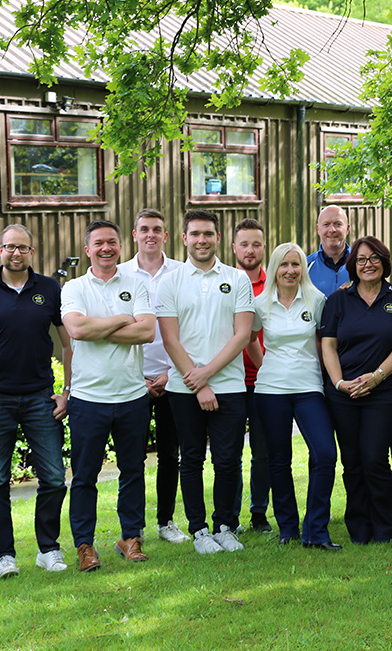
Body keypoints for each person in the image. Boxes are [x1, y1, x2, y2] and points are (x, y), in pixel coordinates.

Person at [0, 224, 72, 579]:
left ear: (31, 252)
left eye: (22, 248)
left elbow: (69, 343)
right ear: (0, 251)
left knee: (54, 478)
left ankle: (48, 549)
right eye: (9, 247)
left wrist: (67, 391)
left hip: (40, 397)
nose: (16, 253)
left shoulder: (49, 289)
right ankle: (4, 555)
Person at [157, 209, 255, 554]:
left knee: (227, 460)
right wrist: (198, 383)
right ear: (184, 238)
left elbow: (242, 335)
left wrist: (206, 374)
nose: (202, 240)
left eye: (208, 234)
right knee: (192, 458)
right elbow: (170, 339)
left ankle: (225, 526)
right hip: (184, 388)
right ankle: (199, 530)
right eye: (195, 234)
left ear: (218, 238)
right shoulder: (169, 281)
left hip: (229, 386)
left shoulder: (237, 279)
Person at [61, 220, 156, 569]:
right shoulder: (74, 287)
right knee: (84, 476)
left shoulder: (136, 284)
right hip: (88, 398)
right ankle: (85, 546)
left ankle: (130, 538)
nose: (106, 248)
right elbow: (76, 328)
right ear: (88, 249)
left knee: (133, 471)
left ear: (120, 246)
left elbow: (147, 332)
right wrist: (122, 318)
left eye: (112, 242)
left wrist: (97, 328)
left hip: (132, 396)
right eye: (99, 243)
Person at [321, 236, 392, 544]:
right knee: (351, 460)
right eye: (362, 259)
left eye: (374, 258)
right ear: (354, 265)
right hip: (344, 392)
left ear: (384, 262)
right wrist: (340, 383)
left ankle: (384, 527)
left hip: (383, 392)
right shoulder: (338, 300)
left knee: (375, 457)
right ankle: (359, 527)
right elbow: (328, 344)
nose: (368, 264)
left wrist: (377, 377)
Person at [252, 243, 340, 550]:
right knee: (279, 460)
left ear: (303, 267)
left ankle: (315, 530)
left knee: (325, 454)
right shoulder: (260, 303)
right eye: (284, 264)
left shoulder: (316, 299)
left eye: (296, 264)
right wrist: (265, 366)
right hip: (270, 390)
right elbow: (249, 337)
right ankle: (287, 528)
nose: (290, 271)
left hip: (309, 389)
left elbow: (325, 343)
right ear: (274, 268)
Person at [118, 209, 189, 544]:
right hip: (131, 380)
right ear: (134, 235)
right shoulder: (120, 274)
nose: (150, 235)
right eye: (144, 229)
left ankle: (166, 521)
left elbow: (189, 327)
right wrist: (140, 378)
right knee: (131, 458)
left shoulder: (181, 273)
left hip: (172, 377)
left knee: (170, 455)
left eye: (156, 229)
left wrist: (171, 372)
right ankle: (132, 529)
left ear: (166, 235)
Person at [232, 218, 271, 532]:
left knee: (263, 453)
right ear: (234, 248)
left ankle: (259, 514)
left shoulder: (276, 284)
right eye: (244, 244)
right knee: (229, 454)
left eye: (256, 244)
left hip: (264, 382)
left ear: (264, 247)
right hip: (230, 380)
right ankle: (229, 517)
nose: (250, 250)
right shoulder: (225, 283)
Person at [307, 205, 351, 297]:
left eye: (338, 224)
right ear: (318, 229)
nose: (332, 230)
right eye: (326, 224)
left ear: (347, 229)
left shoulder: (362, 264)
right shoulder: (306, 266)